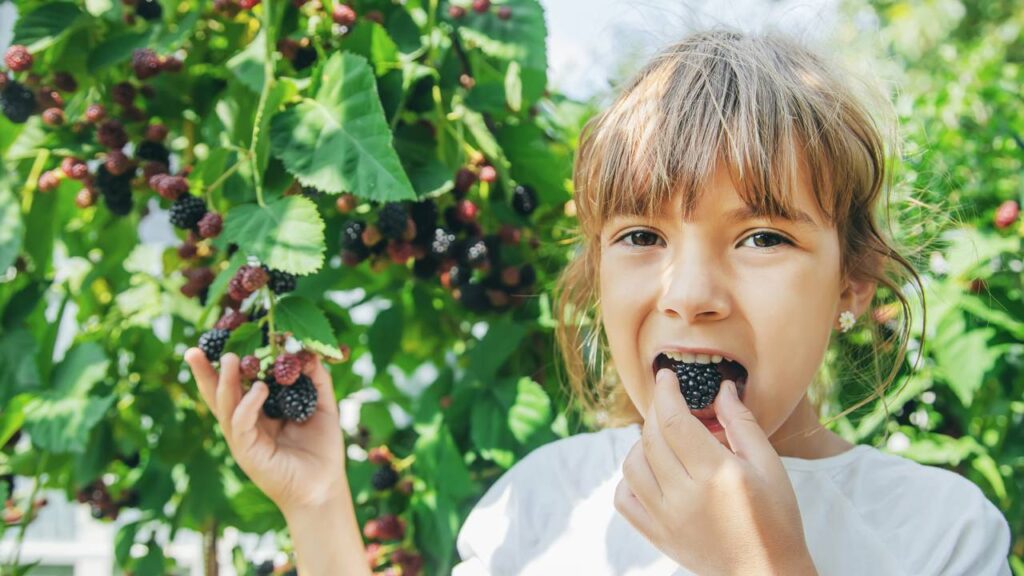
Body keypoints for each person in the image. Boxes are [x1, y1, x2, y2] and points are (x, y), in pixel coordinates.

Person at [186, 28, 1013, 576]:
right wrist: (322, 505)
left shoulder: (938, 535)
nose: (689, 296)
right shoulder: (540, 503)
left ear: (853, 284)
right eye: (642, 237)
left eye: (762, 237)